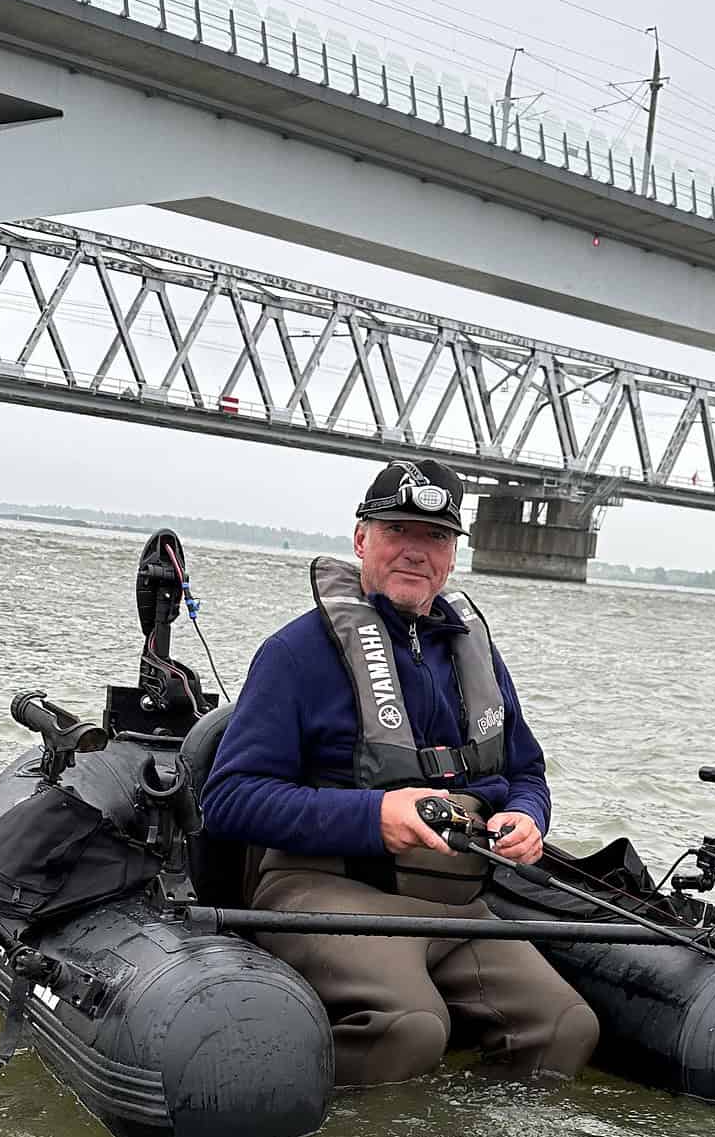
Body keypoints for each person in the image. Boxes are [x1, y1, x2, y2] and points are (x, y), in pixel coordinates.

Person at [201, 458, 599, 1088]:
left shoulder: (475, 653)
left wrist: (528, 816)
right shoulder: (294, 654)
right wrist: (373, 818)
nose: (417, 552)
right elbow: (228, 800)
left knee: (565, 1026)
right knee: (410, 1024)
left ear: (451, 556)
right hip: (326, 889)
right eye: (398, 532)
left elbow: (526, 769)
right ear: (362, 538)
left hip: (456, 903)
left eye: (436, 537)